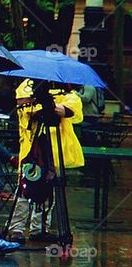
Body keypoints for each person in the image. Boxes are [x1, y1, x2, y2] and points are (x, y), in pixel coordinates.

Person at [6, 79, 84, 242]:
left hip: (55, 150)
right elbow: (23, 106)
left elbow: (72, 110)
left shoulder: (66, 88)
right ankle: (16, 229)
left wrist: (49, 105)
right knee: (25, 189)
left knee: (50, 191)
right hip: (31, 149)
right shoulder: (27, 84)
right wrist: (46, 104)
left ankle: (40, 229)